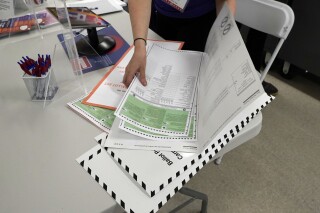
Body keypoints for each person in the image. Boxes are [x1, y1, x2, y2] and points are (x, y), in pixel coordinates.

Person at [122, 0, 236, 87]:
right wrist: (140, 46)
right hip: (164, 15)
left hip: (202, 20)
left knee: (197, 79)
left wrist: (223, 39)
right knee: (164, 78)